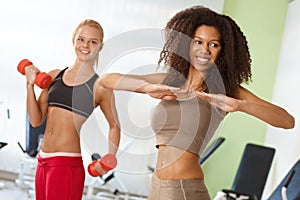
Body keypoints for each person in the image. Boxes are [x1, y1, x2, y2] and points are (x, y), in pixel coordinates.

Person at [99, 6, 295, 200]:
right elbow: (107, 80)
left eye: (214, 44)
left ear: (223, 51)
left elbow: (287, 121)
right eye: (198, 42)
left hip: (184, 190)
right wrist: (145, 87)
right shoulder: (169, 81)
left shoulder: (226, 90)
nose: (204, 50)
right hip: (157, 187)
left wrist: (240, 105)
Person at [25, 19, 121, 200]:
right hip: (43, 160)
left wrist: (109, 158)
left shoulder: (100, 87)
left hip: (66, 164)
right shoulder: (54, 76)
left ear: (100, 47)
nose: (86, 45)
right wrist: (29, 85)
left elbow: (114, 125)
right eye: (81, 39)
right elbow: (36, 120)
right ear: (74, 41)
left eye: (93, 42)